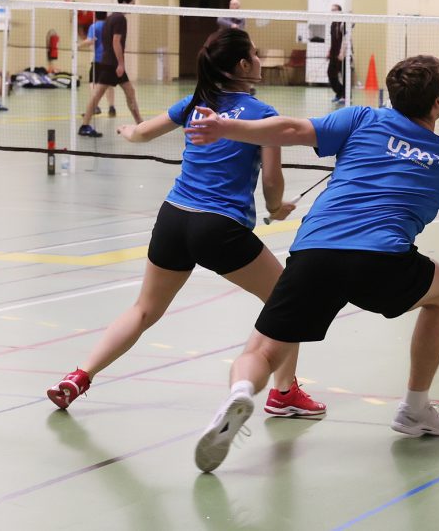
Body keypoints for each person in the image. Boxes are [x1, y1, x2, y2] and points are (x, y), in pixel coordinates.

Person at [184, 54, 439, 473]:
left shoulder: (363, 118)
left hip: (316, 253)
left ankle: (241, 391)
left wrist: (226, 127)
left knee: (262, 350)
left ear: (393, 95)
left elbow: (291, 129)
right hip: (381, 262)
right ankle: (416, 408)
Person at [47, 28, 325, 419]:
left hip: (173, 219)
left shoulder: (196, 103)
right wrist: (277, 207)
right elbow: (272, 182)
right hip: (218, 227)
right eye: (256, 54)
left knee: (144, 309)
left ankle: (79, 376)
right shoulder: (264, 116)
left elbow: (142, 133)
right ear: (244, 65)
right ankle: (283, 393)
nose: (260, 59)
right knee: (288, 302)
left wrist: (127, 131)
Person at [78, 0, 143, 137]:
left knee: (129, 91)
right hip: (112, 64)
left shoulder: (110, 18)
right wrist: (120, 64)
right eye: (132, 4)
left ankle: (140, 124)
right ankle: (85, 125)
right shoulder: (120, 19)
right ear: (125, 3)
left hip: (108, 62)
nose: (134, 7)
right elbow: (116, 41)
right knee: (97, 95)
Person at [78, 11, 116, 116]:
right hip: (110, 60)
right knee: (109, 85)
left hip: (98, 60)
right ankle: (111, 107)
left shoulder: (94, 26)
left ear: (96, 16)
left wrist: (77, 46)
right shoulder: (110, 26)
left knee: (93, 83)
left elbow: (90, 41)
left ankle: (95, 107)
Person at [327, 4, 347, 103]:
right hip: (334, 54)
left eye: (334, 10)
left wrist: (342, 53)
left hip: (344, 55)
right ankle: (339, 92)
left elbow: (346, 39)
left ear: (340, 11)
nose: (333, 11)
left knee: (345, 76)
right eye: (332, 10)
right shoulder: (333, 24)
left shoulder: (343, 23)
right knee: (331, 73)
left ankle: (346, 96)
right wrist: (329, 51)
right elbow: (333, 40)